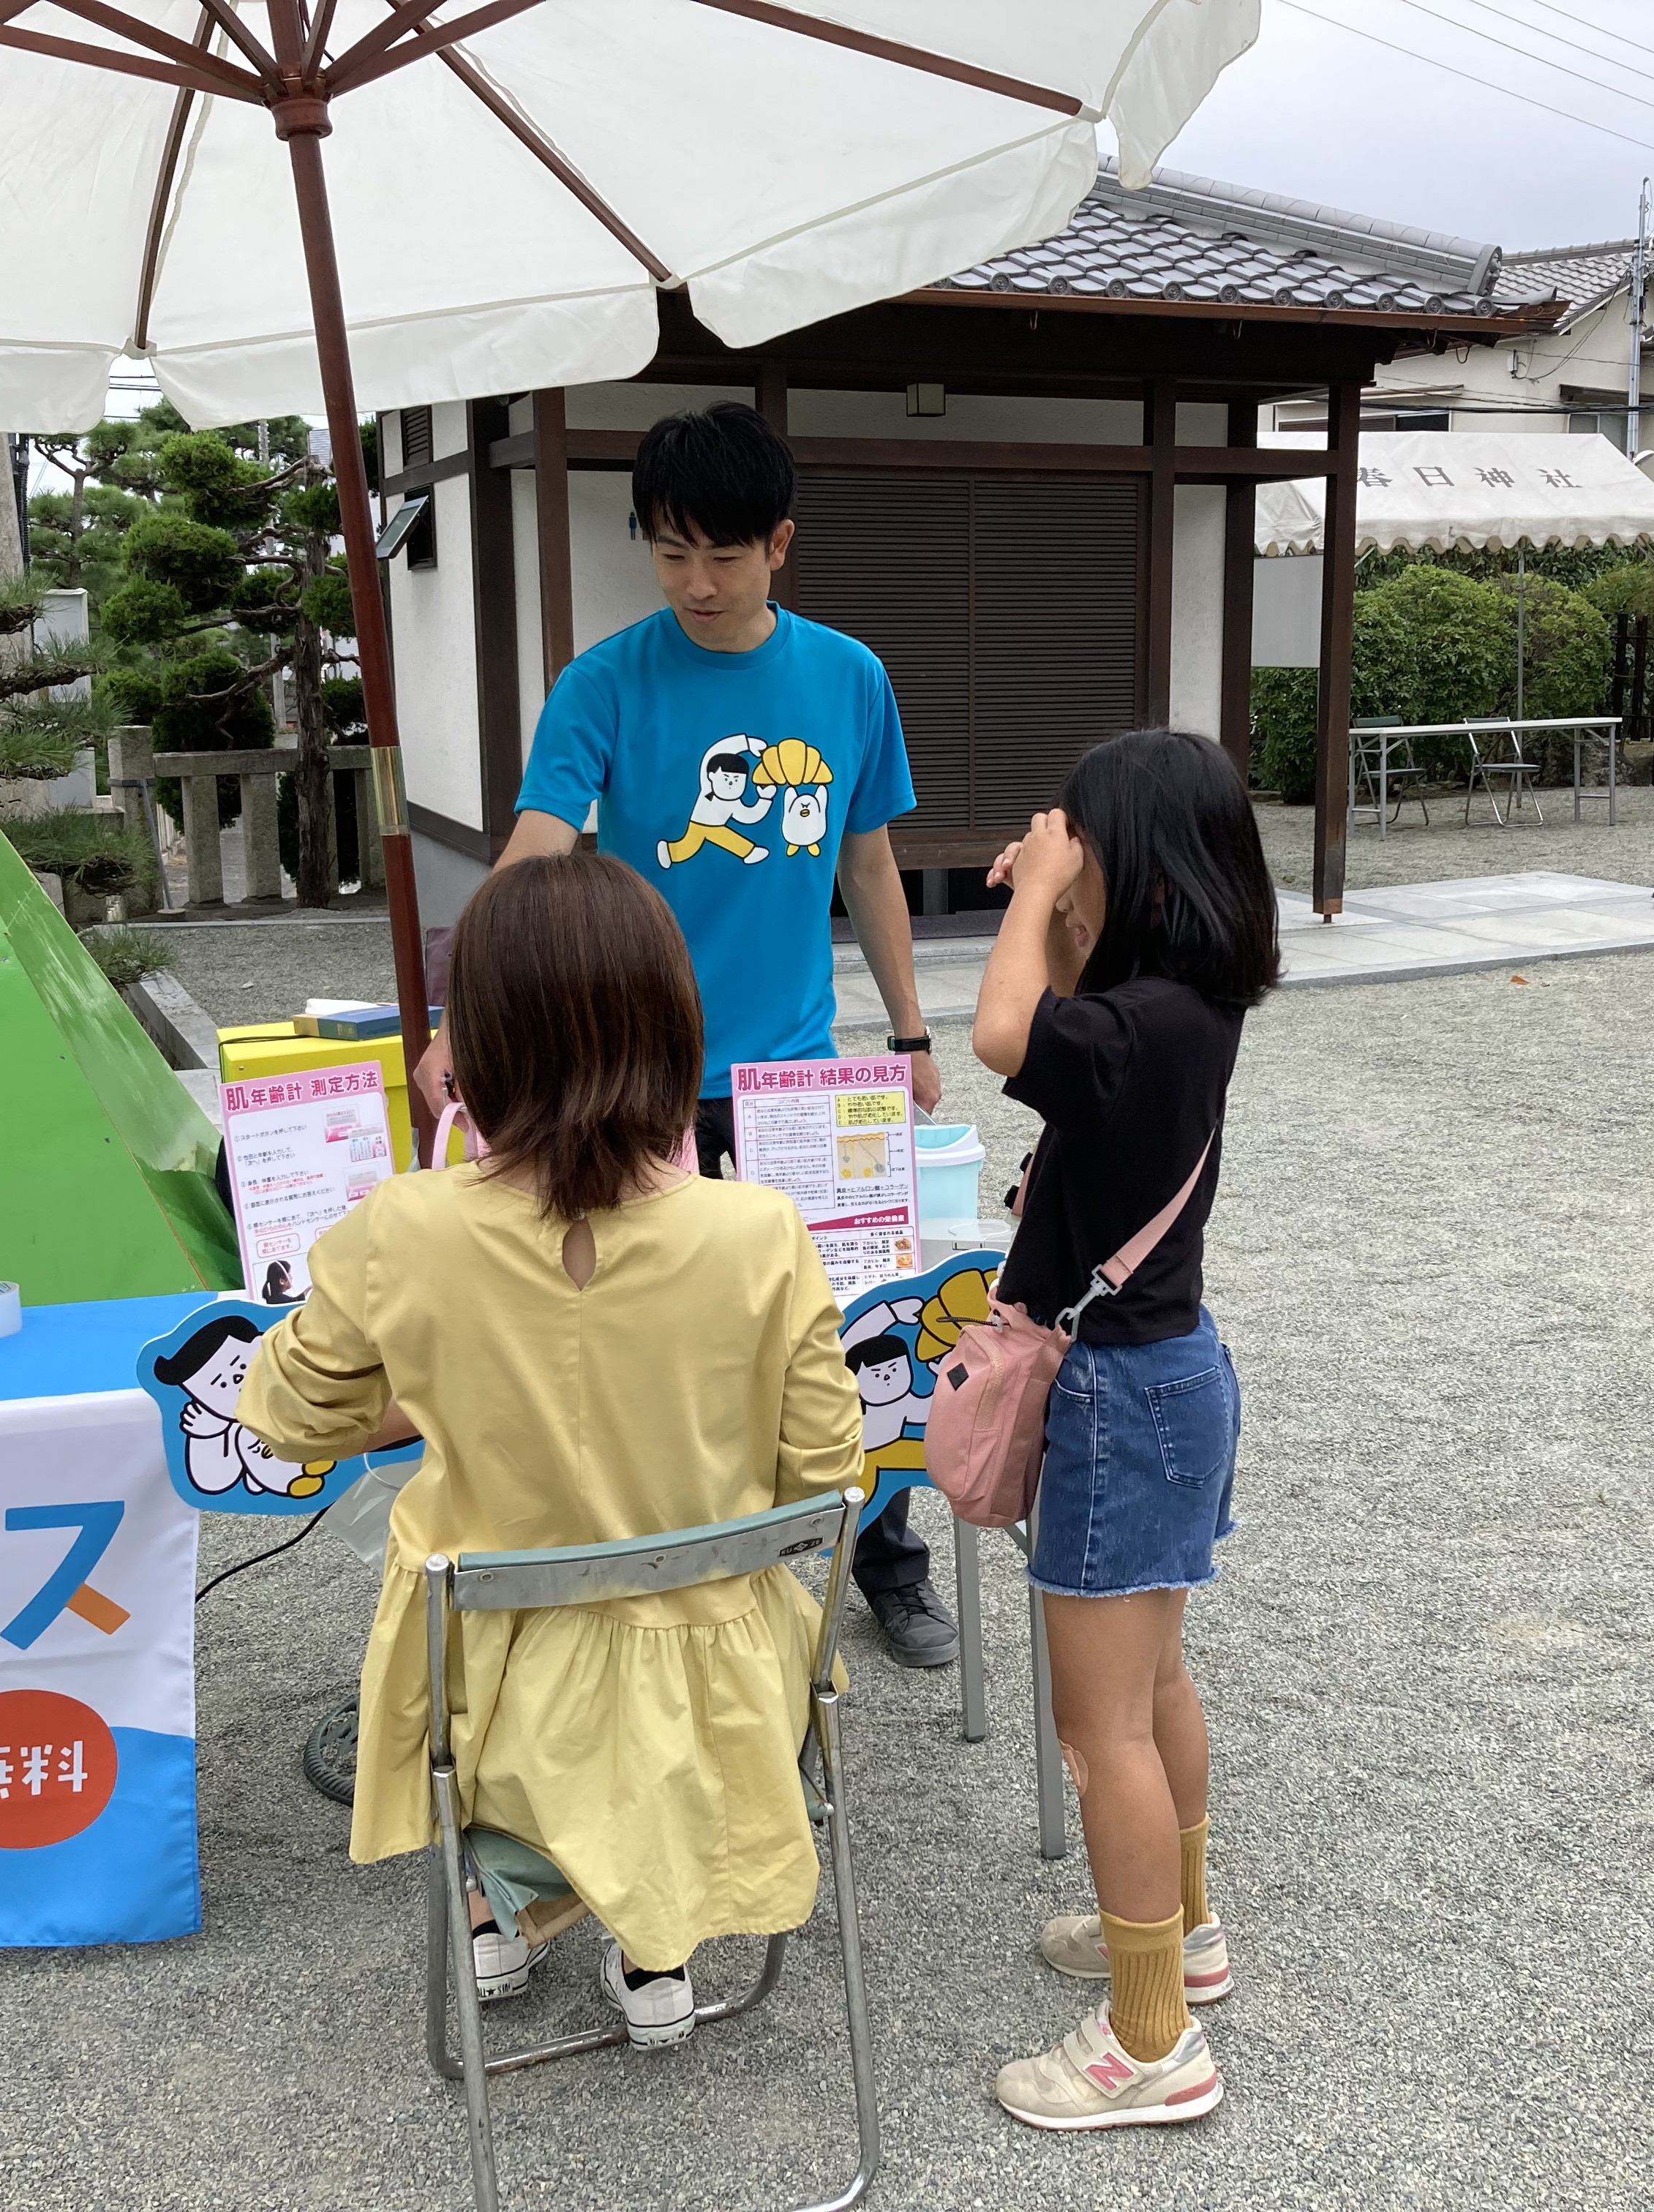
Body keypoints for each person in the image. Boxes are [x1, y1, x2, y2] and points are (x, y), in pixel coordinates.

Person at [238, 854, 864, 2051]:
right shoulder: (759, 1232)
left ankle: (498, 1908)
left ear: (474, 1045)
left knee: (519, 1695)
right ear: (672, 1026)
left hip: (488, 1680)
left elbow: (292, 1417)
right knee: (648, 1662)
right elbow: (824, 1469)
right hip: (718, 1673)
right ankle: (658, 1944)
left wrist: (438, 1383)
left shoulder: (401, 1231)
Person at [407, 402, 959, 1671]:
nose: (695, 583)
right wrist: (461, 1014)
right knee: (647, 1326)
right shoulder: (604, 680)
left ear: (779, 545)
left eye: (721, 554)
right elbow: (537, 851)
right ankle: (699, 1552)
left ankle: (883, 1554)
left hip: (801, 1074)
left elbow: (867, 866)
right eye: (668, 553)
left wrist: (913, 1029)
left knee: (840, 1324)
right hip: (633, 1076)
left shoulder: (848, 677)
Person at [969, 728, 1279, 2132]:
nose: (1060, 859)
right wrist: (1056, 904)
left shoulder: (1132, 1026)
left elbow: (999, 1032)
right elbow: (1056, 1021)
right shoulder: (1179, 1006)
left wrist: (1032, 900)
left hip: (1116, 1395)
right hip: (1173, 1373)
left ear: (1132, 863)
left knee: (1101, 1734)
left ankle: (1149, 2042)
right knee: (1153, 1688)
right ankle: (1182, 1931)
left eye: (1083, 843)